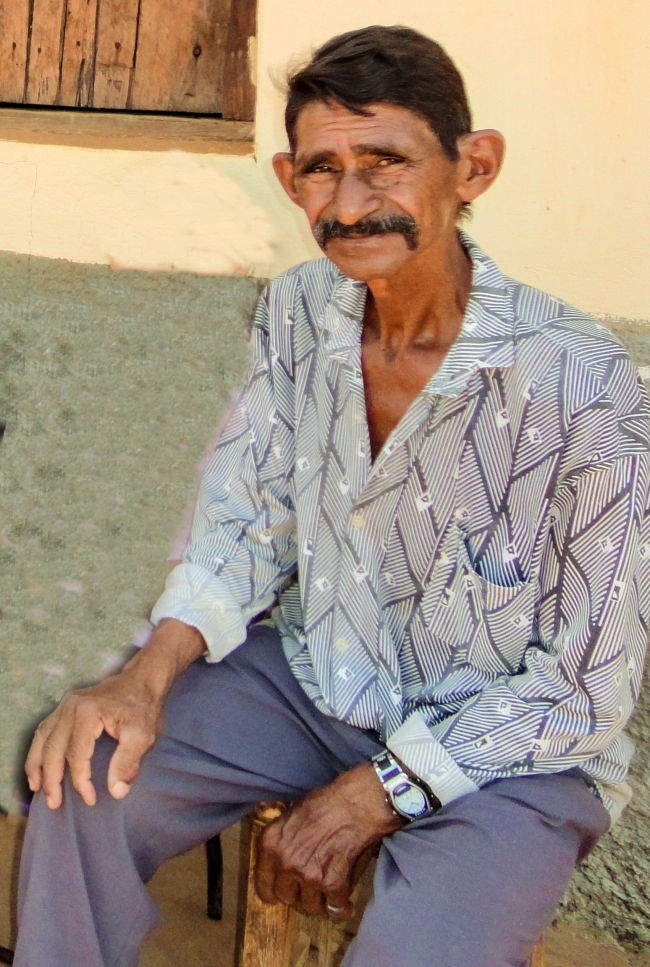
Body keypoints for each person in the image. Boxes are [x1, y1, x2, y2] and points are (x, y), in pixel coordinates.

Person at [14, 25, 650, 967]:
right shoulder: (299, 310)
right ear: (289, 179)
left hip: (512, 748)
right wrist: (143, 677)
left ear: (473, 167)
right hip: (324, 678)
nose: (350, 204)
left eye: (386, 162)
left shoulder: (583, 381)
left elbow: (586, 688)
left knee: (420, 950)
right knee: (84, 776)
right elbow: (246, 519)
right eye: (323, 169)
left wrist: (382, 789)